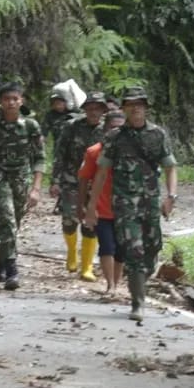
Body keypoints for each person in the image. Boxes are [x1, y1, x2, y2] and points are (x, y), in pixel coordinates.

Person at [86, 87, 178, 321]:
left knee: (153, 246)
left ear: (146, 107)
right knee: (134, 251)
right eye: (130, 104)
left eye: (140, 104)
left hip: (150, 202)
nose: (135, 108)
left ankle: (140, 280)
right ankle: (138, 302)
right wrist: (91, 205)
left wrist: (171, 196)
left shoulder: (158, 134)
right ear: (124, 108)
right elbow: (102, 172)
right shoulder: (115, 137)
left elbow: (170, 167)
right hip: (124, 204)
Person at [0, 82, 44, 290]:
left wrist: (36, 188)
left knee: (14, 222)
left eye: (15, 99)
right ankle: (12, 269)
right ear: (0, 102)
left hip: (21, 177)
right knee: (7, 220)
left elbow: (40, 157)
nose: (11, 102)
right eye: (7, 99)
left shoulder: (31, 126)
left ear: (21, 101)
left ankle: (2, 260)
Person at [51, 91, 108, 280]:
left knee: (92, 223)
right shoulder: (71, 126)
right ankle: (71, 253)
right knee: (69, 220)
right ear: (84, 110)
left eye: (98, 109)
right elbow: (60, 154)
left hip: (98, 183)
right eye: (90, 108)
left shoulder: (109, 129)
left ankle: (87, 266)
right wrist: (55, 180)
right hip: (71, 180)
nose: (94, 112)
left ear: (103, 110)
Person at [80, 109, 126, 293]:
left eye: (121, 129)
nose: (116, 132)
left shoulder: (135, 152)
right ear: (105, 129)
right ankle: (111, 285)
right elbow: (84, 178)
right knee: (107, 247)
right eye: (112, 128)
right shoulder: (94, 152)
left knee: (121, 250)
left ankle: (117, 281)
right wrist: (83, 206)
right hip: (102, 208)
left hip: (125, 209)